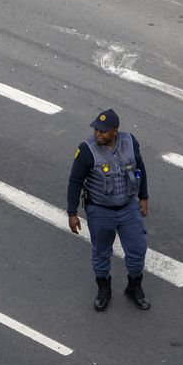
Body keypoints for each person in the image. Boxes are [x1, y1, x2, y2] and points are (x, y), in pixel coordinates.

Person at [67, 109, 151, 311]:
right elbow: (75, 181)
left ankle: (134, 287)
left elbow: (140, 167)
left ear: (115, 131)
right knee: (101, 252)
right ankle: (104, 288)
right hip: (100, 211)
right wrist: (72, 213)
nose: (98, 134)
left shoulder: (130, 142)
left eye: (103, 131)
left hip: (129, 208)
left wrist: (143, 197)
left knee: (137, 251)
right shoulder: (86, 150)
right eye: (97, 129)